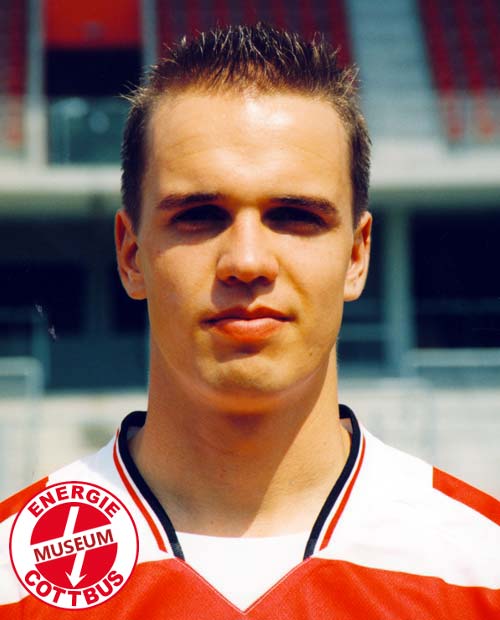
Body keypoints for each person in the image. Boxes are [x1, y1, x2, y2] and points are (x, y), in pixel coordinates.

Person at [1, 23, 499, 619]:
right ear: (131, 255)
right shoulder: (11, 577)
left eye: (294, 216)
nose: (247, 261)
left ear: (356, 256)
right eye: (199, 215)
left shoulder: (483, 565)